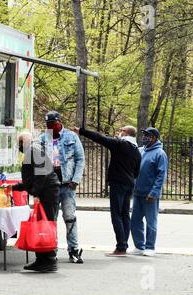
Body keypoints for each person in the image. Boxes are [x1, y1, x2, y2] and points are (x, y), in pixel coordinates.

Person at [73, 125, 141, 256]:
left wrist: (81, 131)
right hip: (129, 184)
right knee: (125, 215)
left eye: (121, 130)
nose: (119, 132)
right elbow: (137, 171)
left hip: (118, 183)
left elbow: (100, 138)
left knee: (116, 214)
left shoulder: (120, 144)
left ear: (125, 133)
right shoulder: (136, 150)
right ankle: (124, 246)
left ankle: (121, 247)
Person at [40, 111, 85, 264]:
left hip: (67, 183)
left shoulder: (71, 136)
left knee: (70, 217)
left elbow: (80, 159)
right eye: (47, 124)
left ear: (59, 122)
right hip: (49, 185)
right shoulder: (43, 138)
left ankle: (73, 250)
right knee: (51, 219)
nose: (49, 127)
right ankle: (51, 249)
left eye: (52, 124)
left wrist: (76, 180)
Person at [12, 132, 61, 272]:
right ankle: (42, 259)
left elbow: (42, 175)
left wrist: (36, 192)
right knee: (41, 225)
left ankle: (49, 260)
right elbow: (31, 178)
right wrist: (16, 187)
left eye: (19, 143)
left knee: (46, 224)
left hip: (47, 192)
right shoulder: (33, 150)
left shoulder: (34, 150)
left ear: (23, 141)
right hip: (47, 191)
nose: (19, 146)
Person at [131, 127, 168, 257]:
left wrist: (154, 192)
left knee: (151, 222)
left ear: (154, 138)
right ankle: (139, 246)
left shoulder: (160, 153)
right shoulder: (141, 151)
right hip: (137, 192)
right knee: (135, 221)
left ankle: (150, 247)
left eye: (147, 135)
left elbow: (161, 175)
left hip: (150, 194)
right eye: (144, 134)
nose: (144, 137)